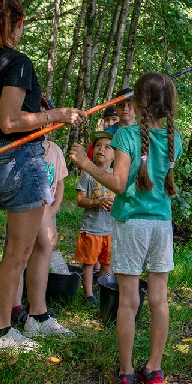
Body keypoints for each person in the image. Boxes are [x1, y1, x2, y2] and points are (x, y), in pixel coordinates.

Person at [0, 0, 86, 352]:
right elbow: (9, 120)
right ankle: (0, 332)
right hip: (22, 162)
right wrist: (57, 115)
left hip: (1, 162)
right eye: (22, 22)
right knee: (18, 252)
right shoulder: (17, 62)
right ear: (16, 21)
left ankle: (38, 316)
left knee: (42, 242)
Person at [69, 72, 182, 384]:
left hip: (131, 224)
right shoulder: (175, 138)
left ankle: (126, 374)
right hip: (161, 224)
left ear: (140, 103)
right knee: (159, 300)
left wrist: (85, 163)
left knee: (128, 302)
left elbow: (118, 184)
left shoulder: (126, 137)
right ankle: (155, 370)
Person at [11, 135, 69, 322]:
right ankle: (15, 307)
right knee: (19, 256)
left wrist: (52, 211)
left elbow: (60, 183)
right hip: (24, 211)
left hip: (48, 211)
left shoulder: (55, 149)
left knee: (42, 254)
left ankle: (36, 307)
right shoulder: (19, 147)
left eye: (45, 111)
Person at [75, 131, 115, 307]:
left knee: (107, 263)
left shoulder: (117, 175)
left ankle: (104, 288)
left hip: (111, 229)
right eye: (98, 145)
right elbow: (80, 200)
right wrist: (97, 202)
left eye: (108, 147)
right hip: (92, 228)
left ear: (115, 154)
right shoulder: (88, 174)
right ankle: (89, 295)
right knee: (90, 262)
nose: (102, 149)